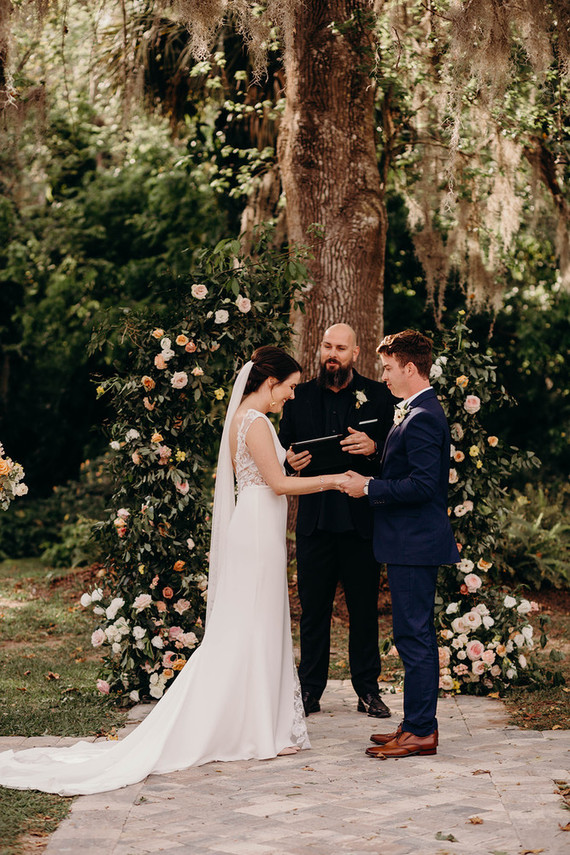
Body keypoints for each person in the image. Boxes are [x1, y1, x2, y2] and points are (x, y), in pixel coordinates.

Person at [0, 346, 348, 795]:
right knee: (253, 626)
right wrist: (335, 480)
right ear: (270, 383)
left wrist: (290, 460)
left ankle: (262, 723)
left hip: (258, 525)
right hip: (258, 530)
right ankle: (257, 728)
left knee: (254, 625)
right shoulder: (256, 421)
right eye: (291, 387)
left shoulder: (244, 417)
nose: (293, 396)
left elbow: (266, 472)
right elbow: (277, 486)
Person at [342, 329, 460, 759]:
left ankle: (421, 731)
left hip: (415, 543)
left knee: (414, 637)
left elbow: (426, 486)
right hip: (407, 542)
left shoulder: (424, 415)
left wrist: (370, 488)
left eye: (389, 368)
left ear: (410, 368)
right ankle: (414, 724)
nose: (385, 376)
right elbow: (407, 469)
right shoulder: (413, 411)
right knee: (412, 635)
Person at [279, 323, 395, 719]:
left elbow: (397, 457)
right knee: (313, 610)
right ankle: (310, 689)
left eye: (340, 348)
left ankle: (368, 690)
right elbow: (281, 451)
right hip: (314, 522)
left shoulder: (379, 397)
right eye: (327, 346)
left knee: (364, 610)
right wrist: (289, 462)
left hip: (361, 523)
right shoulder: (298, 397)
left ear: (355, 353)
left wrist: (375, 447)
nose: (333, 353)